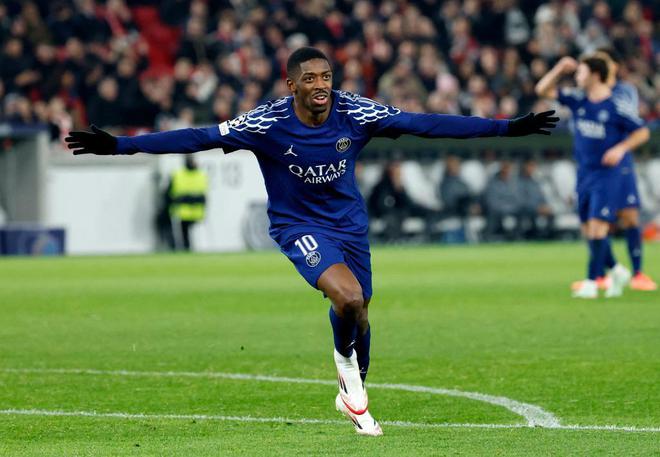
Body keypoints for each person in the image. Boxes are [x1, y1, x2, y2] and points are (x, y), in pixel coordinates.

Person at [66, 47, 558, 436]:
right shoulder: (266, 122)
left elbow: (425, 124)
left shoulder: (355, 112)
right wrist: (122, 145)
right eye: (311, 78)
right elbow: (199, 136)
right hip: (298, 226)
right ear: (292, 85)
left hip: (349, 225)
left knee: (360, 311)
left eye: (327, 77)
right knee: (347, 297)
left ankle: (352, 384)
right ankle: (345, 371)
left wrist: (506, 128)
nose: (321, 85)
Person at [535, 55, 650, 299]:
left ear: (595, 75)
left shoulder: (616, 106)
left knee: (598, 226)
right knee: (588, 228)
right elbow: (542, 90)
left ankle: (591, 282)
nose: (577, 76)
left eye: (581, 72)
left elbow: (642, 132)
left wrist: (620, 148)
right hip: (584, 172)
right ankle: (617, 270)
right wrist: (558, 69)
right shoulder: (578, 100)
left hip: (607, 174)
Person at [367, 160, 431, 242]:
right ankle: (393, 240)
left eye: (398, 172)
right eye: (394, 171)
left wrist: (399, 189)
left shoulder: (400, 187)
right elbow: (381, 205)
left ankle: (428, 238)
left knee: (427, 212)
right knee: (392, 218)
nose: (397, 174)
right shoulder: (381, 187)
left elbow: (407, 203)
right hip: (386, 214)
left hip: (401, 212)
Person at [165, 155, 208, 251]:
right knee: (184, 236)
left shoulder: (199, 175)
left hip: (193, 211)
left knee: (191, 235)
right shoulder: (178, 175)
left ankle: (188, 249)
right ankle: (184, 249)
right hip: (183, 211)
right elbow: (169, 194)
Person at [483, 160, 521, 241]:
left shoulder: (515, 184)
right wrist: (505, 210)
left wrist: (510, 209)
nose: (506, 172)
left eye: (508, 170)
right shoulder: (493, 184)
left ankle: (519, 238)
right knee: (492, 214)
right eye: (504, 170)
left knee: (523, 213)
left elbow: (518, 201)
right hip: (497, 212)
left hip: (513, 211)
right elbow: (492, 202)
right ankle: (489, 238)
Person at [518, 158, 554, 240]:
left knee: (550, 213)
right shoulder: (519, 182)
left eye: (534, 166)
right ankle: (532, 237)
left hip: (538, 208)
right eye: (531, 166)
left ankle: (549, 237)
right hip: (525, 209)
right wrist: (536, 208)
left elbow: (541, 197)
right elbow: (520, 200)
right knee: (532, 216)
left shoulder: (535, 182)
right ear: (525, 166)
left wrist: (545, 205)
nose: (533, 168)